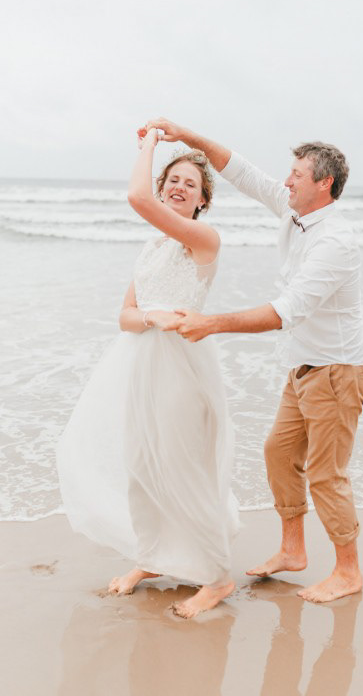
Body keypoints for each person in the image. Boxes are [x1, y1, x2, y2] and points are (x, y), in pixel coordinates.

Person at [143, 117, 363, 604]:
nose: (286, 181)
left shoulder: (335, 241)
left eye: (296, 174)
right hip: (305, 366)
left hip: (338, 371)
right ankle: (293, 550)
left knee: (326, 474)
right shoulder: (295, 211)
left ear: (324, 184)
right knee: (278, 454)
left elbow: (286, 311)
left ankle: (349, 571)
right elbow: (243, 172)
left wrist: (210, 323)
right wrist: (187, 136)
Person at [56, 126, 238, 618]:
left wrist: (150, 144)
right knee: (142, 464)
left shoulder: (204, 240)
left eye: (190, 185)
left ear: (202, 201)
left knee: (181, 466)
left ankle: (217, 577)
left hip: (182, 367)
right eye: (172, 180)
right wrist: (152, 318)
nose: (180, 187)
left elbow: (137, 196)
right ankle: (152, 557)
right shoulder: (151, 247)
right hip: (140, 363)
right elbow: (125, 316)